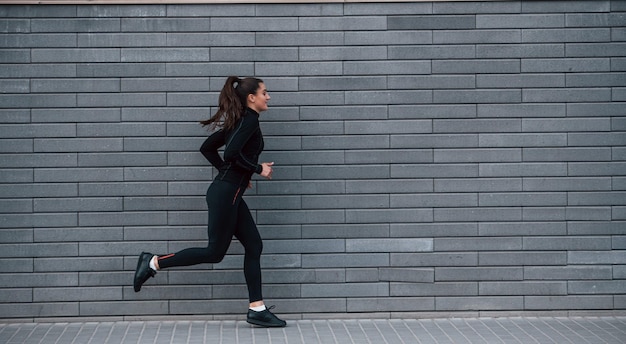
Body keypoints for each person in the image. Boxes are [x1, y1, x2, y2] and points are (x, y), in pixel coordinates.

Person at [133, 76, 286, 328]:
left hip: (228, 192)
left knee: (254, 245)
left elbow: (208, 148)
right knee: (214, 253)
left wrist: (236, 175)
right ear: (252, 98)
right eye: (265, 93)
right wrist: (256, 169)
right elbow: (232, 153)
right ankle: (153, 262)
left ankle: (257, 308)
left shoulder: (240, 122)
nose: (268, 97)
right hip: (226, 194)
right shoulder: (248, 120)